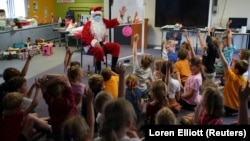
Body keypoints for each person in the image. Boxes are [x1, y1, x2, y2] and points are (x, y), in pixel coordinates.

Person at [81, 6, 127, 73]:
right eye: (96, 15)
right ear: (92, 15)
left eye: (99, 15)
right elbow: (84, 36)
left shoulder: (103, 21)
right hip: (91, 45)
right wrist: (94, 42)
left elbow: (112, 23)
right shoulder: (88, 24)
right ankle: (98, 69)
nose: (98, 16)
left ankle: (113, 67)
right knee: (99, 49)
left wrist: (121, 15)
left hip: (102, 43)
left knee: (116, 46)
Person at [216, 31, 248, 116]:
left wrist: (220, 51)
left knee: (211, 103)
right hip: (238, 107)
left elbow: (226, 65)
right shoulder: (244, 79)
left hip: (228, 107)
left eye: (233, 66)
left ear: (236, 70)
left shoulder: (232, 76)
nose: (231, 66)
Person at [39, 74, 77, 141]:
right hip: (70, 126)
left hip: (57, 129)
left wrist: (46, 82)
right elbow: (64, 78)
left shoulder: (50, 100)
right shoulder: (69, 99)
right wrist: (48, 75)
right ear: (63, 88)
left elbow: (43, 86)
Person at [132, 34, 153, 99]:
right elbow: (151, 80)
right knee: (142, 101)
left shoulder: (137, 67)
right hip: (144, 90)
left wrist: (135, 41)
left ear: (141, 61)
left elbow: (134, 54)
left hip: (135, 89)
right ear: (149, 64)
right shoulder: (149, 70)